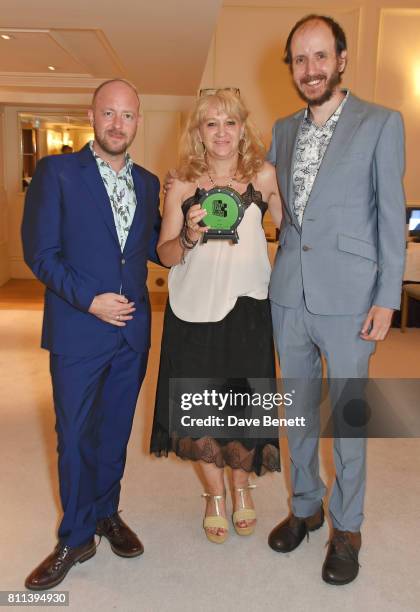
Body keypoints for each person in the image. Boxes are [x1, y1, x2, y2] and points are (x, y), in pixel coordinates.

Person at [267, 15, 406, 585]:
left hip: (351, 296)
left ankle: (347, 529)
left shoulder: (381, 122)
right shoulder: (280, 129)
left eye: (320, 56)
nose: (310, 69)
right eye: (300, 59)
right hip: (289, 292)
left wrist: (387, 297)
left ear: (341, 60)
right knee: (296, 411)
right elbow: (283, 212)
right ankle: (306, 506)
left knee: (347, 419)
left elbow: (390, 217)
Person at [21, 79, 161, 590]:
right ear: (92, 115)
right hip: (78, 330)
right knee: (74, 435)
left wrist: (187, 234)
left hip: (132, 334)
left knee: (114, 432)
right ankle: (75, 535)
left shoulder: (147, 183)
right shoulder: (58, 173)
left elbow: (150, 248)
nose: (117, 124)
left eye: (127, 115)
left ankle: (106, 512)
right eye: (109, 114)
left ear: (137, 121)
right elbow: (41, 254)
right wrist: (89, 299)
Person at [150, 89, 282, 543]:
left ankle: (242, 488)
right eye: (211, 123)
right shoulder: (183, 185)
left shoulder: (265, 176)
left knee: (243, 409)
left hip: (247, 308)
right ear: (199, 133)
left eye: (230, 122)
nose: (221, 132)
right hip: (193, 311)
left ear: (243, 128)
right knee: (199, 411)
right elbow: (165, 255)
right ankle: (214, 497)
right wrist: (186, 235)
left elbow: (295, 230)